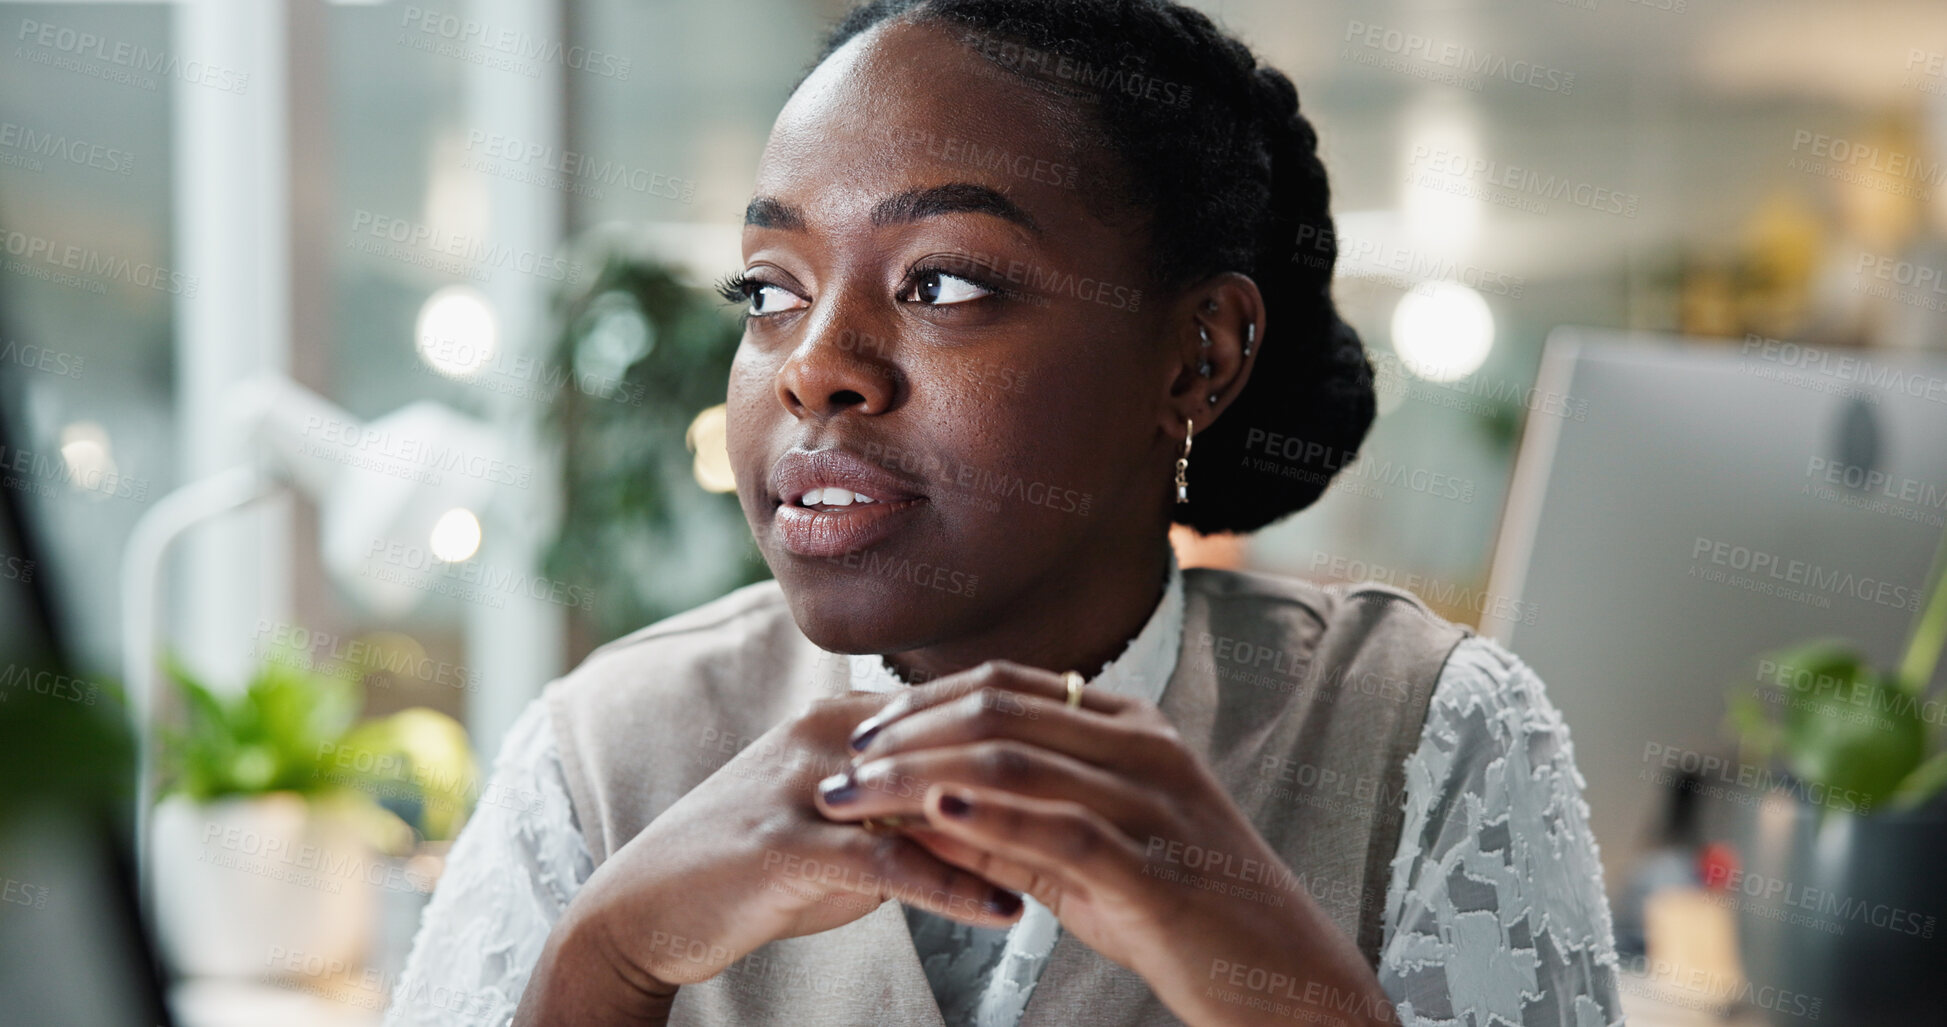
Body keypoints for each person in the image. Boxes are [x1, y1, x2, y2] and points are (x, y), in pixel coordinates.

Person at [386, 2, 1623, 1024]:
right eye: (769, 288)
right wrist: (607, 956)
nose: (815, 366)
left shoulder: (1427, 732)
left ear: (1198, 356)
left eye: (945, 280)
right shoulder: (601, 751)